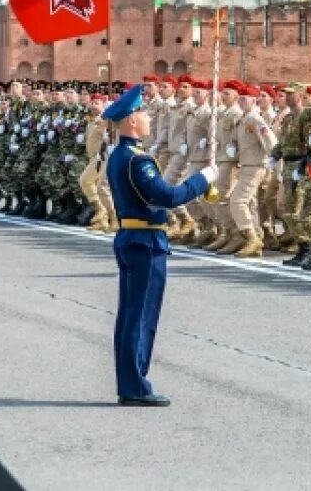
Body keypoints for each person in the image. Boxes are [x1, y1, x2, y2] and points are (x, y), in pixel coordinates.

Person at [103, 84, 216, 407]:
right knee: (140, 317)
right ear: (131, 122)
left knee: (129, 316)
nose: (149, 118)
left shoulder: (119, 155)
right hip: (146, 241)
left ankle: (130, 382)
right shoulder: (138, 160)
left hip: (131, 237)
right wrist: (204, 178)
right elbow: (166, 197)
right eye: (143, 114)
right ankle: (135, 386)